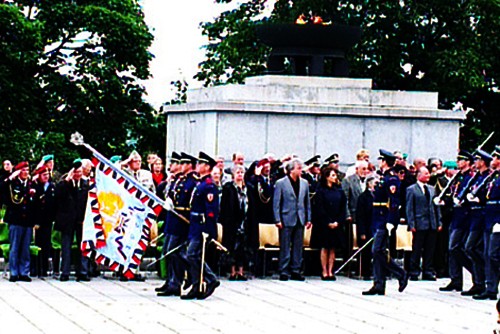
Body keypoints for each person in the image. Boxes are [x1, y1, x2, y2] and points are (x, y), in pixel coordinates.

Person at [363, 150, 408, 296]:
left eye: (381, 159)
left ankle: (400, 273)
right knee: (377, 252)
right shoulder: (383, 177)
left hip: (384, 218)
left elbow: (394, 201)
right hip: (377, 217)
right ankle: (379, 284)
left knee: (377, 251)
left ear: (385, 161)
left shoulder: (392, 179)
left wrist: (390, 221)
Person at [156, 152, 198, 296]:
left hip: (181, 221)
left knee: (174, 252)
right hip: (173, 220)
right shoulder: (178, 180)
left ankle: (180, 281)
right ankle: (172, 281)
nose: (180, 166)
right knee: (169, 252)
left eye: (184, 163)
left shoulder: (192, 182)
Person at [182, 152, 220, 300]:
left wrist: (209, 231)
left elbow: (211, 211)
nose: (197, 166)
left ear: (206, 167)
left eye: (200, 164)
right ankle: (197, 285)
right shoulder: (201, 184)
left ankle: (210, 279)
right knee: (192, 255)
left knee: (192, 254)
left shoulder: (209, 186)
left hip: (202, 226)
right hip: (194, 224)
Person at [439, 150, 475, 292]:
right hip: (455, 216)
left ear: (467, 162)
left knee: (457, 248)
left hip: (465, 217)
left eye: (461, 160)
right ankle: (456, 280)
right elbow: (453, 194)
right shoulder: (458, 177)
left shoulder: (470, 177)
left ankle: (477, 274)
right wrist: (445, 200)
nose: (458, 162)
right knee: (451, 249)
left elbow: (469, 195)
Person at [460, 150, 493, 297]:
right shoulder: (477, 178)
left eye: (478, 160)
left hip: (482, 216)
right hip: (472, 216)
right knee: (469, 248)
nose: (475, 162)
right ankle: (479, 281)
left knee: (471, 247)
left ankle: (484, 279)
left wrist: (480, 200)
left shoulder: (488, 177)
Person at [273, 158, 312, 281]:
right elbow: (276, 203)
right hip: (286, 218)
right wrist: (277, 219)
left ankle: (296, 269)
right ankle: (283, 270)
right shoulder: (281, 183)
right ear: (291, 170)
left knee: (298, 246)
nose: (301, 171)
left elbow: (307, 203)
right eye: (298, 168)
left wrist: (308, 218)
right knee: (285, 245)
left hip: (300, 217)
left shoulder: (304, 183)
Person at [54, 160, 90, 282]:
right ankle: (65, 272)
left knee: (83, 247)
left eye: (80, 171)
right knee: (66, 247)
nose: (78, 174)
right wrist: (67, 180)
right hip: (67, 220)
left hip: (81, 220)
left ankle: (82, 272)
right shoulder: (65, 184)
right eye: (75, 172)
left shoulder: (86, 184)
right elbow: (58, 194)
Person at [406, 166, 442, 281]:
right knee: (417, 249)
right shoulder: (411, 189)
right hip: (419, 223)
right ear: (419, 175)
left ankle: (428, 270)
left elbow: (436, 207)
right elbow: (409, 208)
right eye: (426, 174)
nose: (428, 176)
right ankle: (414, 271)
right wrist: (411, 224)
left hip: (431, 223)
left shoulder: (432, 189)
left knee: (430, 249)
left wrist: (439, 221)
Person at [473, 145, 500, 300]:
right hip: (488, 220)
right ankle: (491, 288)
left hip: (497, 220)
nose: (493, 160)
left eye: (496, 157)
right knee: (488, 255)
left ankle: (492, 286)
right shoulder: (494, 177)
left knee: (493, 255)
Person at [313, 167, 347, 280]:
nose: (335, 177)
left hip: (336, 222)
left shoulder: (339, 191)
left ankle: (330, 270)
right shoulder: (321, 191)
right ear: (327, 177)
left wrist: (338, 221)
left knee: (332, 248)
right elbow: (319, 208)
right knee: (324, 247)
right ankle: (324, 271)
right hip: (324, 224)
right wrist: (327, 221)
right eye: (332, 175)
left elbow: (343, 208)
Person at [3, 161, 33, 282]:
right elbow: (2, 189)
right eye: (23, 170)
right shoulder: (12, 184)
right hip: (15, 219)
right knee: (15, 247)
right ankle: (14, 272)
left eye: (27, 170)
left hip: (28, 220)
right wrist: (10, 178)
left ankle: (24, 272)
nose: (26, 173)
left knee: (25, 248)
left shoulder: (31, 184)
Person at [219, 165, 249, 280]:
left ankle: (241, 271)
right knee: (231, 247)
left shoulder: (247, 188)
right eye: (238, 172)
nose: (240, 174)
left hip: (244, 221)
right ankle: (232, 271)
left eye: (242, 172)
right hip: (231, 222)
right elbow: (225, 206)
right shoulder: (228, 188)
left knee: (242, 247)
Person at [31, 166, 57, 277]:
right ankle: (36, 268)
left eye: (47, 174)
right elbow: (35, 205)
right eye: (43, 175)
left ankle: (44, 269)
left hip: (48, 220)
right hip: (38, 220)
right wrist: (35, 221)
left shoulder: (52, 187)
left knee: (46, 245)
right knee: (38, 245)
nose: (46, 176)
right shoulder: (36, 187)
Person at [355, 174, 378, 280]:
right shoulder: (363, 197)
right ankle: (365, 272)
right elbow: (360, 216)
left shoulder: (379, 196)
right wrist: (362, 232)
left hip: (377, 227)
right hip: (367, 227)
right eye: (375, 183)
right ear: (369, 184)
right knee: (366, 251)